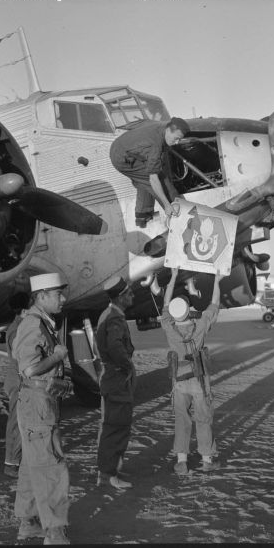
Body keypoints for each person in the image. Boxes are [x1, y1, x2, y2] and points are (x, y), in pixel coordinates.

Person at [12, 273, 72, 545]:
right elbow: (30, 368)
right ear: (42, 296)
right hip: (37, 400)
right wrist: (58, 356)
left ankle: (30, 523)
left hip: (38, 400)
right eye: (58, 294)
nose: (63, 298)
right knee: (51, 465)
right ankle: (55, 531)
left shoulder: (40, 322)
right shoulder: (34, 325)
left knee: (31, 465)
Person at [161, 267, 223, 474]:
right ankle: (206, 459)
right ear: (189, 310)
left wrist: (173, 276)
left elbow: (165, 304)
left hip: (179, 380)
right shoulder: (200, 326)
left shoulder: (169, 328)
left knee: (182, 419)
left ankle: (182, 462)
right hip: (199, 380)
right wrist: (217, 281)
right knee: (203, 419)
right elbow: (214, 304)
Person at [110, 117, 190, 227]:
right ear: (168, 130)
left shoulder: (162, 125)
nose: (177, 143)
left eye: (180, 139)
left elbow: (141, 122)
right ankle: (180, 217)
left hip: (120, 146)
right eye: (176, 138)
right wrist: (167, 204)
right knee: (160, 180)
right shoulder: (155, 146)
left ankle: (142, 214)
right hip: (120, 159)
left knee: (144, 177)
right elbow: (153, 179)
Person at [95, 276, 136, 489]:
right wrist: (127, 366)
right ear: (120, 297)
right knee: (117, 426)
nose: (133, 296)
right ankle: (108, 474)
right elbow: (115, 346)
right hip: (116, 377)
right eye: (129, 294)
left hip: (111, 375)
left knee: (112, 425)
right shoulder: (115, 319)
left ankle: (108, 470)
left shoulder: (108, 314)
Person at [2, 292, 30, 478]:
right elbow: (21, 358)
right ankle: (11, 463)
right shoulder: (18, 329)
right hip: (20, 380)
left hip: (21, 379)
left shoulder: (21, 326)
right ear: (26, 308)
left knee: (24, 421)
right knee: (17, 423)